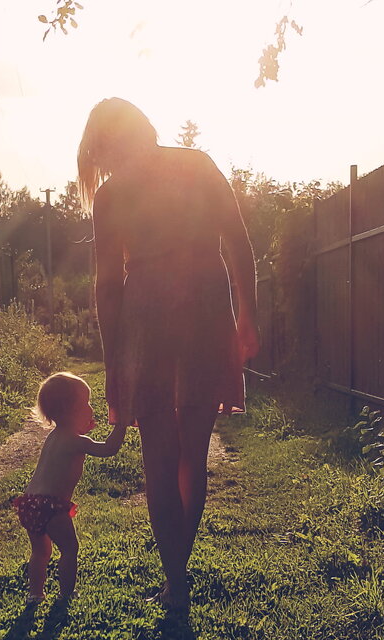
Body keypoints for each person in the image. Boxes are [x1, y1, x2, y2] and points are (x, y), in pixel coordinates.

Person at [79, 98, 258, 608]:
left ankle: (175, 581)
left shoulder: (112, 194)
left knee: (159, 457)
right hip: (204, 304)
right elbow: (239, 242)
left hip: (147, 316)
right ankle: (178, 576)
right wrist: (248, 313)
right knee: (190, 455)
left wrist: (115, 360)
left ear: (103, 146)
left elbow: (107, 286)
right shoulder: (195, 164)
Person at [14, 371, 128, 604]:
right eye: (86, 403)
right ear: (70, 410)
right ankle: (66, 594)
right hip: (51, 506)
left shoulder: (55, 437)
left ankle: (35, 594)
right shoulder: (76, 441)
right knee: (69, 549)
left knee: (40, 552)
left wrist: (82, 429)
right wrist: (121, 424)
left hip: (30, 503)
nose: (91, 408)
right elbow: (108, 449)